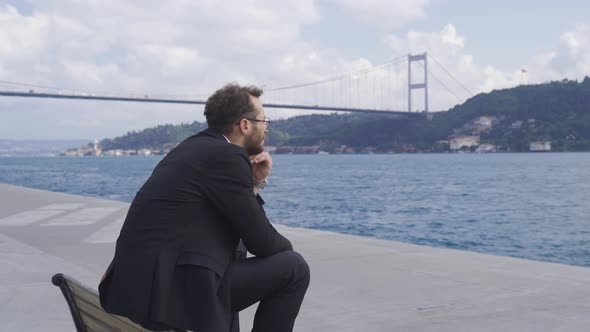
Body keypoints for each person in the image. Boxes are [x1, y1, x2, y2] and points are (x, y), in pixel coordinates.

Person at [98, 83, 310, 332]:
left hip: (137, 286)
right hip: (167, 293)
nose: (266, 128)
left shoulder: (190, 149)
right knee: (294, 268)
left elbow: (237, 220)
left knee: (221, 269)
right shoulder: (227, 156)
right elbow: (261, 241)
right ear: (245, 125)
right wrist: (286, 252)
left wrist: (255, 184)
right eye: (264, 121)